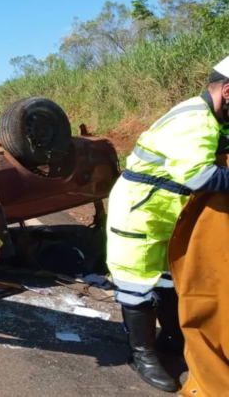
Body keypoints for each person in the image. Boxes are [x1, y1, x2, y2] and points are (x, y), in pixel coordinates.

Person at [106, 56, 229, 393]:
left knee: (168, 281)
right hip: (140, 212)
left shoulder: (210, 117)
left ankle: (173, 339)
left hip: (166, 214)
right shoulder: (197, 121)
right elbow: (199, 175)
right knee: (136, 284)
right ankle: (142, 354)